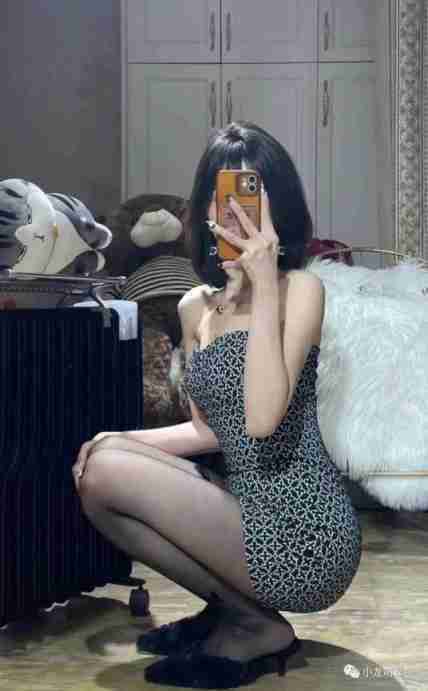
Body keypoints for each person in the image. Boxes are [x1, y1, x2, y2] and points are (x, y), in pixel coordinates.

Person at [72, 121, 362, 688]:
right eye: (222, 192)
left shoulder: (301, 289)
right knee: (95, 472)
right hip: (241, 506)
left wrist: (264, 283)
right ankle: (242, 616)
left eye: (252, 190)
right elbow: (207, 432)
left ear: (279, 204)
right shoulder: (193, 306)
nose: (235, 209)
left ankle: (250, 625)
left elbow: (262, 419)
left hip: (305, 529)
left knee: (105, 468)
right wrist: (115, 442)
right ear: (205, 206)